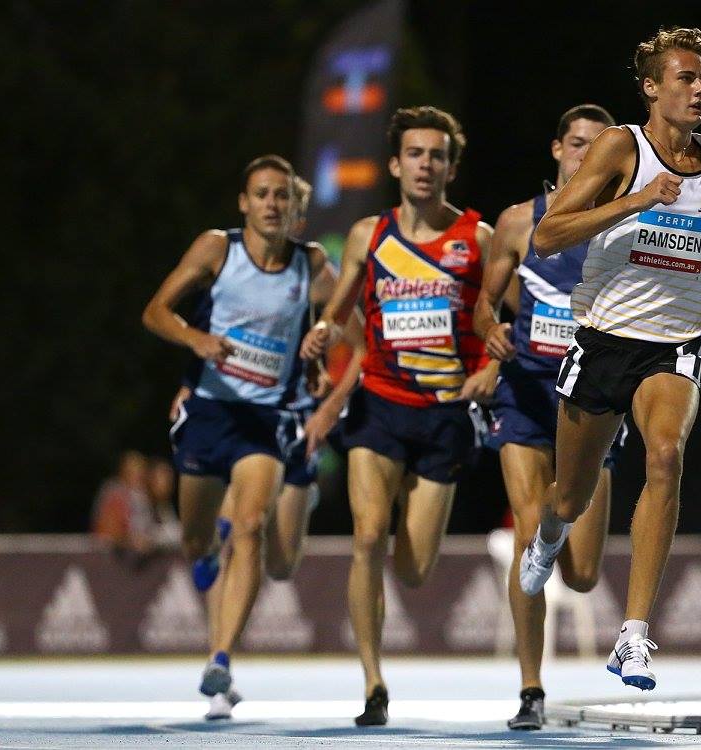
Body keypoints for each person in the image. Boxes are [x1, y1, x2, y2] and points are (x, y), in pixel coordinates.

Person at [517, 27, 701, 692]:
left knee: (665, 455)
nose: (698, 89)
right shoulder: (621, 147)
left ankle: (633, 636)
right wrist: (637, 199)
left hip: (674, 341)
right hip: (605, 339)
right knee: (569, 494)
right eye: (684, 79)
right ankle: (548, 536)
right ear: (650, 88)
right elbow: (549, 233)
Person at [301, 106, 497, 726]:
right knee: (365, 538)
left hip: (443, 416)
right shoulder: (369, 234)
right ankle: (373, 683)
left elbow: (495, 312)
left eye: (437, 156)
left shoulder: (477, 238)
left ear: (450, 168)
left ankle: (415, 501)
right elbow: (337, 308)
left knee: (412, 570)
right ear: (395, 164)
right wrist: (325, 331)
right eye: (415, 154)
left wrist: (493, 356)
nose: (425, 165)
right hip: (380, 406)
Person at [142, 155, 336, 702]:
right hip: (209, 410)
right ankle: (204, 555)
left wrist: (321, 337)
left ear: (295, 206)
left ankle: (221, 658)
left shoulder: (311, 263)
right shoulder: (217, 249)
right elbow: (155, 311)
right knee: (196, 537)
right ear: (244, 203)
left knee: (250, 525)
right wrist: (194, 339)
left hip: (266, 419)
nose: (272, 204)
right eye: (262, 194)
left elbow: (348, 314)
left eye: (282, 195)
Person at [473, 104, 628, 730]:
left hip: (591, 403)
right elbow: (485, 307)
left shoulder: (622, 228)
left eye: (597, 149)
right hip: (527, 396)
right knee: (527, 527)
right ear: (556, 149)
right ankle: (530, 689)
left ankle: (555, 537)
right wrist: (490, 336)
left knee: (586, 576)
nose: (583, 157)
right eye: (575, 145)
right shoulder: (517, 222)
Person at [91, 450, 156, 560]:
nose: (139, 476)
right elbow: (107, 532)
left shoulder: (144, 496)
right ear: (123, 471)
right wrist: (131, 541)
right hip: (109, 560)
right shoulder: (114, 494)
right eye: (134, 471)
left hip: (139, 563)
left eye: (141, 471)